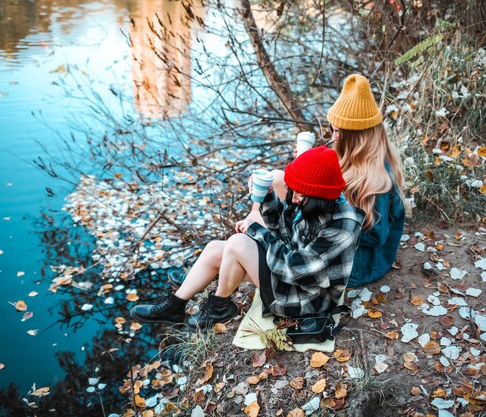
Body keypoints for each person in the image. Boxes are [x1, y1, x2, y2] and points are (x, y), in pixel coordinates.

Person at [130, 146, 364, 328]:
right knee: (214, 248)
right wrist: (268, 199)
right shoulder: (311, 203)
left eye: (300, 196)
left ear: (319, 195)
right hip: (293, 276)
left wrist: (256, 232)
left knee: (238, 243)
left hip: (308, 299)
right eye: (294, 193)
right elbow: (283, 233)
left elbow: (295, 270)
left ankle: (219, 306)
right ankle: (175, 305)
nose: (293, 199)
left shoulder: (343, 224)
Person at [267, 74, 408, 288]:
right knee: (277, 178)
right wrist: (304, 169)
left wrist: (330, 204)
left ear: (355, 139)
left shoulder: (378, 178)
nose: (332, 136)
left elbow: (376, 237)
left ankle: (280, 252)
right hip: (329, 241)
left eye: (337, 131)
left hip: (357, 264)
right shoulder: (345, 156)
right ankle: (280, 241)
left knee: (259, 241)